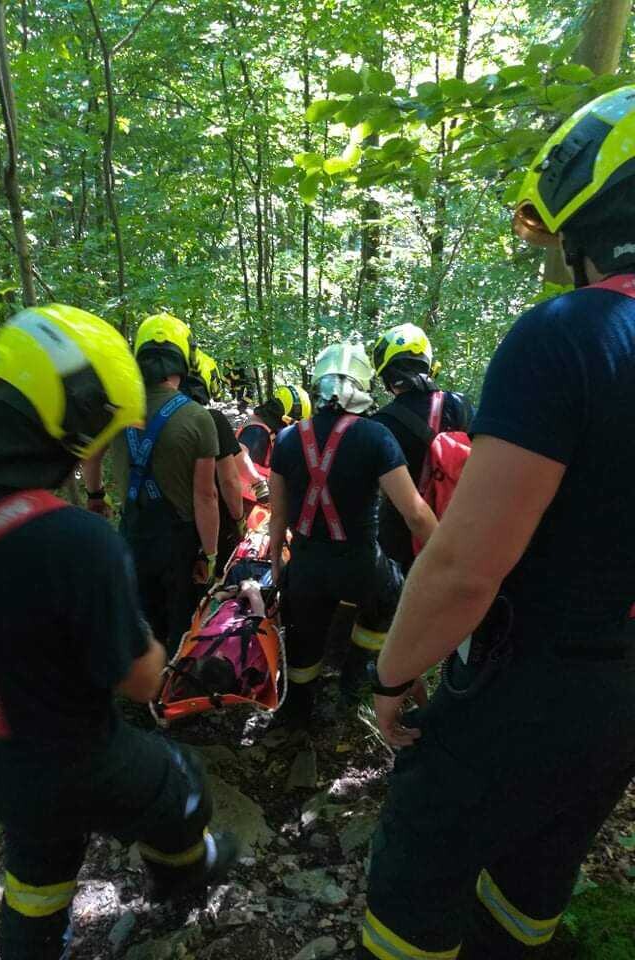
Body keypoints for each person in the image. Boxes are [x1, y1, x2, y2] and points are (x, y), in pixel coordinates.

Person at [360, 85, 635, 960]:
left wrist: (395, 680)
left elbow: (464, 568)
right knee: (535, 878)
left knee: (415, 873)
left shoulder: (566, 337)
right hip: (623, 698)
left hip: (532, 681)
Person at [0, 304, 237, 960]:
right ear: (78, 417)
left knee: (40, 843)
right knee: (181, 782)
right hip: (68, 753)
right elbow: (143, 677)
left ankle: (31, 944)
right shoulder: (74, 541)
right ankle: (182, 876)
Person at [268, 342, 437, 726]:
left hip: (308, 565)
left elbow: (277, 517)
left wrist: (277, 562)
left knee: (303, 638)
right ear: (362, 385)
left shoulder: (289, 438)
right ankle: (353, 681)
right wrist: (449, 554)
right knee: (388, 596)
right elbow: (414, 512)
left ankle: (298, 711)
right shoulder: (376, 437)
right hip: (362, 565)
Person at [84, 312, 220, 652]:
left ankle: (144, 683)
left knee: (143, 610)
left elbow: (90, 456)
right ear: (185, 358)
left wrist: (96, 495)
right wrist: (211, 553)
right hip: (180, 539)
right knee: (182, 617)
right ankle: (175, 689)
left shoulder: (116, 410)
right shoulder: (198, 417)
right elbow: (206, 496)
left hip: (133, 528)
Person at [371, 323, 473, 571]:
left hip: (399, 545)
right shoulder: (460, 406)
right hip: (460, 535)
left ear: (386, 375)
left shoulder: (378, 424)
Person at [183, 349, 246, 573]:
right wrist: (240, 519)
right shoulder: (211, 420)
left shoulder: (140, 419)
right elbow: (228, 482)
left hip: (155, 529)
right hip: (207, 532)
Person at [237, 384, 312, 513]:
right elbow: (238, 453)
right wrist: (259, 484)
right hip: (241, 500)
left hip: (250, 500)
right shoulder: (257, 431)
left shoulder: (266, 428)